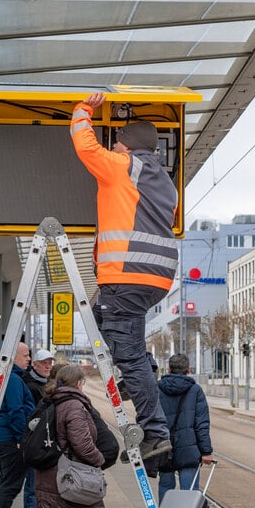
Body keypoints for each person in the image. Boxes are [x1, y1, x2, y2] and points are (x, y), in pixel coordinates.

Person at [71, 92, 177, 461]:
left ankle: (155, 431)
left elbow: (86, 147)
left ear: (128, 145)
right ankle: (142, 371)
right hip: (156, 278)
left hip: (127, 274)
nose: (113, 146)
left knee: (127, 355)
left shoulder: (122, 165)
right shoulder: (165, 181)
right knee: (101, 318)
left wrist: (84, 110)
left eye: (118, 141)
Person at [35, 365, 106, 508]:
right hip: (66, 474)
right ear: (78, 383)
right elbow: (82, 443)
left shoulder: (51, 400)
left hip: (50, 471)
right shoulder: (73, 404)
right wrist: (99, 459)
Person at [0, 343, 35, 508]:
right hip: (10, 438)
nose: (29, 359)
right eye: (25, 355)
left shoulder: (8, 377)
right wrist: (20, 439)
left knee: (6, 482)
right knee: (10, 484)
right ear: (14, 357)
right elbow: (17, 411)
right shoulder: (14, 380)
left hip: (4, 437)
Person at [156, 354, 213, 504]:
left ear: (168, 369)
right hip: (189, 450)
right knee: (189, 490)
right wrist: (206, 451)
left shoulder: (157, 389)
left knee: (166, 486)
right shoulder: (195, 391)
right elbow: (202, 424)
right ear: (188, 370)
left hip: (164, 448)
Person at [21, 349, 55, 508]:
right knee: (33, 484)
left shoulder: (45, 384)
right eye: (43, 363)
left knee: (40, 483)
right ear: (35, 364)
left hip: (43, 441)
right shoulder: (31, 385)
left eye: (49, 363)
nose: (47, 366)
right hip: (34, 441)